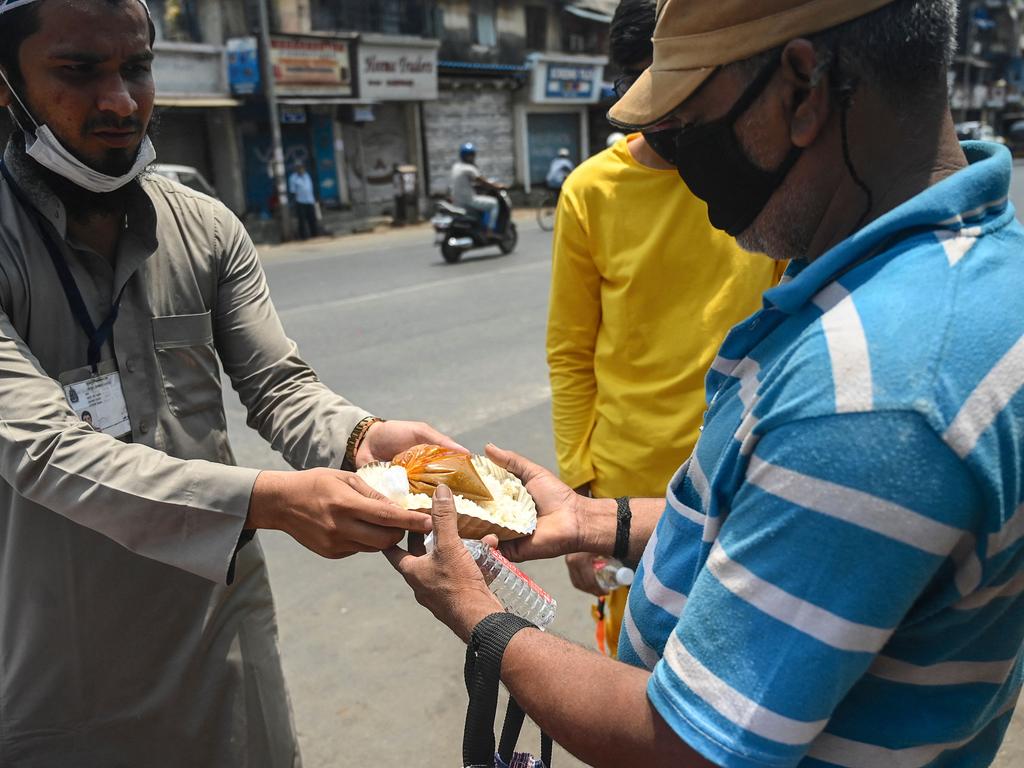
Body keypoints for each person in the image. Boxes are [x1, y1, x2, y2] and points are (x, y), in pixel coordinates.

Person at [388, 1, 1024, 765]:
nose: (682, 163)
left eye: (692, 122)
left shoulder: (872, 397)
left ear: (801, 86)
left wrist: (477, 611)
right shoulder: (972, 271)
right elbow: (777, 513)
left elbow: (686, 743)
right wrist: (598, 521)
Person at [0, 0, 458, 764]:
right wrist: (270, 502)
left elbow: (279, 384)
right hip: (59, 648)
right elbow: (43, 451)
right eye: (79, 72)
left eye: (136, 68)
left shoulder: (205, 227)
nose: (119, 101)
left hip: (219, 623)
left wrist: (361, 438)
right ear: (6, 83)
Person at [549, 0, 783, 658]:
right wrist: (580, 499)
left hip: (737, 477)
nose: (673, 111)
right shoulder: (590, 192)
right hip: (627, 484)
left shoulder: (759, 178)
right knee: (634, 677)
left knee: (729, 678)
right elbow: (570, 354)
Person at [450, 141, 500, 232]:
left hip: (457, 201)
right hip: (468, 200)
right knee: (494, 203)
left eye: (473, 155)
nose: (473, 157)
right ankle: (490, 230)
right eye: (470, 155)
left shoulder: (456, 166)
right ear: (465, 156)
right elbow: (482, 181)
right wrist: (498, 186)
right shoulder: (469, 168)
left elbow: (467, 181)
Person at [287, 160, 318, 239]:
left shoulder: (307, 175)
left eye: (302, 167)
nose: (301, 169)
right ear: (296, 169)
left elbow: (310, 188)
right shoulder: (293, 178)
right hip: (300, 201)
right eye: (298, 168)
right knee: (302, 220)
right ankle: (303, 236)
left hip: (310, 200)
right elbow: (292, 191)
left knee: (312, 219)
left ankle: (315, 235)